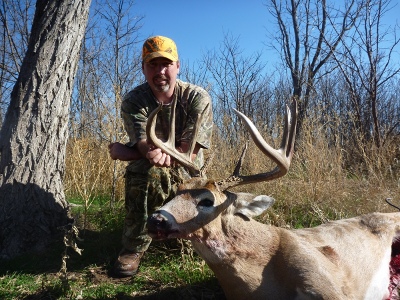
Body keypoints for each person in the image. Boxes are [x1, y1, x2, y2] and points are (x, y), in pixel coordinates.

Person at [108, 35, 213, 277]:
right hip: (150, 169)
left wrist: (129, 153)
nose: (160, 71)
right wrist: (142, 152)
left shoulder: (197, 98)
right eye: (152, 65)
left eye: (166, 64)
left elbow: (188, 151)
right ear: (143, 68)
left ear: (178, 66)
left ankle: (190, 236)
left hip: (188, 172)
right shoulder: (134, 101)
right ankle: (134, 247)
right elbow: (146, 145)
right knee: (147, 172)